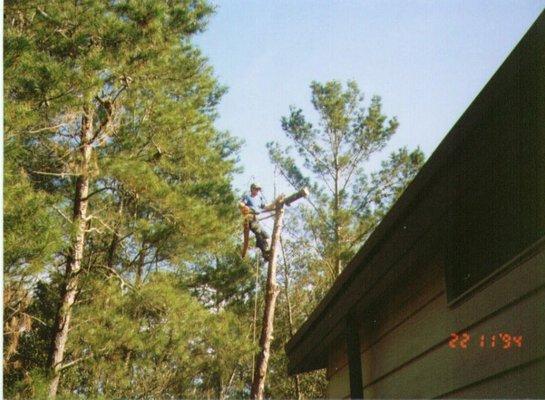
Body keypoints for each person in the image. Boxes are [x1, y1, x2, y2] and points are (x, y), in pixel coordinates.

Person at [240, 183, 271, 261]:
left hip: (256, 219)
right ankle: (265, 251)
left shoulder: (259, 198)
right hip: (250, 218)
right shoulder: (247, 197)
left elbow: (266, 206)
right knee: (258, 233)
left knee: (266, 236)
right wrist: (244, 207)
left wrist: (276, 203)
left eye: (258, 189)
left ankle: (265, 252)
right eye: (256, 189)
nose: (257, 191)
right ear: (252, 189)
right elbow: (241, 204)